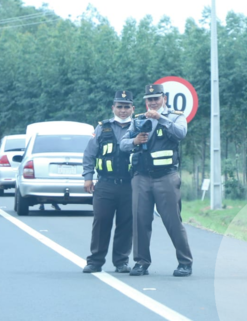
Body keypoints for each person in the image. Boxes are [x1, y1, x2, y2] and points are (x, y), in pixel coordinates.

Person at [120, 84, 193, 277]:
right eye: (149, 100)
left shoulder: (175, 116)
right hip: (141, 177)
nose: (153, 102)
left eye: (156, 99)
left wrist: (161, 119)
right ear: (145, 102)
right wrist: (134, 142)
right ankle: (141, 262)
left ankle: (185, 262)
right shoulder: (138, 120)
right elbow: (123, 143)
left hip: (166, 177)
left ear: (164, 99)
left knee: (173, 221)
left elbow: (181, 133)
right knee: (140, 221)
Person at [82, 91, 135, 274]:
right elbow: (89, 154)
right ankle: (95, 261)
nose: (122, 110)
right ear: (113, 108)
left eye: (126, 106)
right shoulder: (102, 128)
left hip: (130, 185)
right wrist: (88, 177)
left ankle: (121, 261)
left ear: (132, 109)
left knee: (126, 224)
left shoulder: (139, 127)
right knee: (101, 221)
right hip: (105, 184)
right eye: (119, 106)